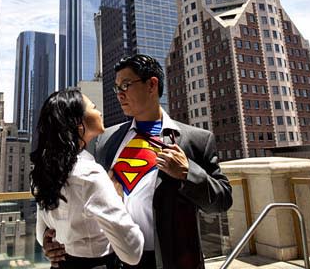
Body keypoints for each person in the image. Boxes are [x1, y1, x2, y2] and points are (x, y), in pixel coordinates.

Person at [43, 54, 233, 269]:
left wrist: (187, 172)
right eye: (117, 88)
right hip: (114, 261)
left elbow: (222, 201)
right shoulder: (106, 140)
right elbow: (76, 198)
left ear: (152, 85)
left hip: (171, 261)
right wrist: (53, 240)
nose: (120, 94)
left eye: (126, 85)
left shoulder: (196, 139)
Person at [32, 88, 144, 269]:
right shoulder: (90, 175)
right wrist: (118, 199)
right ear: (78, 123)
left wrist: (50, 245)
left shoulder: (43, 172)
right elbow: (132, 252)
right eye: (93, 107)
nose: (99, 111)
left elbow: (42, 233)